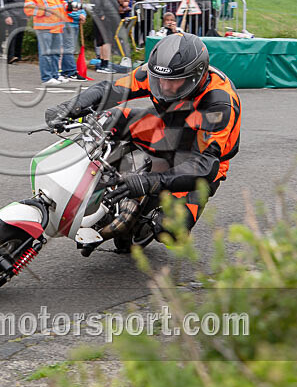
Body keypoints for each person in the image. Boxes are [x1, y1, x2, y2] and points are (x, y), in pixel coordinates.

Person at [44, 33, 241, 250]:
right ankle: (93, 182)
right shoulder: (156, 73)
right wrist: (69, 108)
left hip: (200, 156)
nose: (164, 86)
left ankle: (147, 211)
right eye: (159, 79)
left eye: (173, 81)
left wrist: (148, 182)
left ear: (196, 76)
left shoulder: (219, 103)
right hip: (165, 127)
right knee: (107, 120)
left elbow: (204, 167)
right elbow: (110, 90)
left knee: (171, 230)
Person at [24, 0, 68, 85]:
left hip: (57, 27)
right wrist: (43, 11)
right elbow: (28, 9)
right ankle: (47, 78)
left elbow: (62, 5)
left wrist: (69, 7)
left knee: (55, 54)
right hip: (44, 28)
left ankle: (55, 75)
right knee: (46, 53)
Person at [87, 0, 120, 73]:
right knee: (106, 41)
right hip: (103, 17)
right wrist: (101, 15)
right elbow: (95, 2)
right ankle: (105, 64)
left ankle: (103, 63)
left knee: (104, 41)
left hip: (110, 17)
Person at [58, 0, 87, 81]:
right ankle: (71, 71)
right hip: (67, 21)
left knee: (71, 47)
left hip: (75, 22)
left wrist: (83, 14)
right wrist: (77, 15)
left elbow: (80, 3)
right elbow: (64, 6)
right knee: (68, 47)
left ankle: (66, 71)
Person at [1, 0, 28, 64]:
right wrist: (6, 16)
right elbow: (2, 2)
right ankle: (10, 56)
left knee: (20, 35)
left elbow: (29, 0)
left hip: (23, 15)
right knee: (13, 35)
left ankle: (18, 56)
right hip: (12, 14)